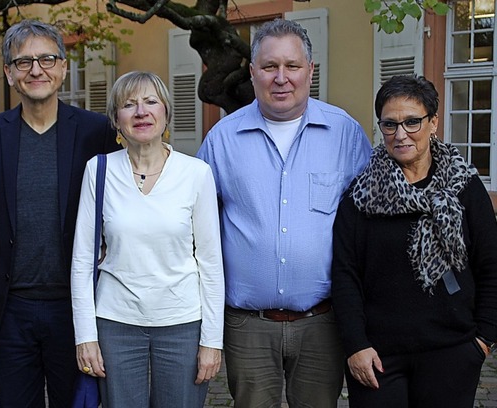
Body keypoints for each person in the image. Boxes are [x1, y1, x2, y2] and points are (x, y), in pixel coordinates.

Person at [196, 18, 372, 408]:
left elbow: (370, 223)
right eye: (270, 66)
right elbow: (194, 227)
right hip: (247, 325)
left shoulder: (345, 134)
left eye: (292, 66)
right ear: (254, 71)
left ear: (310, 70)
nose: (281, 77)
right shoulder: (221, 141)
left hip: (323, 323)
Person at [0, 20, 119, 407]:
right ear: (9, 73)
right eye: (24, 62)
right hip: (10, 311)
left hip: (77, 307)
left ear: (64, 67)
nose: (37, 70)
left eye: (47, 59)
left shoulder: (95, 131)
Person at [331, 74, 497, 407]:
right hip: (378, 358)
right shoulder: (360, 195)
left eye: (412, 122)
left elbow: (491, 264)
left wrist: (483, 339)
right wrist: (355, 345)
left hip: (452, 352)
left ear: (433, 122)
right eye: (389, 125)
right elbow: (345, 275)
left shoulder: (464, 187)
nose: (400, 134)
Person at [71, 71, 225, 408]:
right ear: (116, 120)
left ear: (166, 113)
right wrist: (86, 337)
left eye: (151, 101)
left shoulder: (196, 173)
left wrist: (213, 340)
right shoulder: (98, 171)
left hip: (182, 322)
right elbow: (82, 262)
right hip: (115, 323)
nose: (141, 111)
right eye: (129, 104)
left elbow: (211, 263)